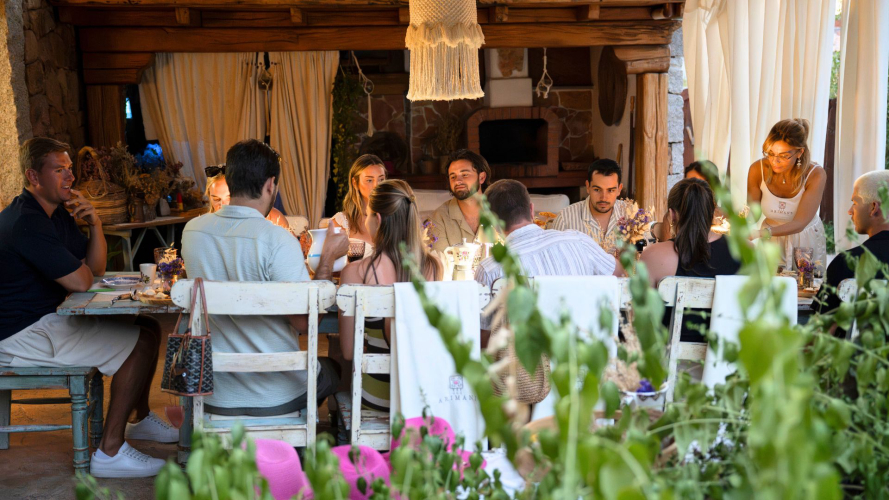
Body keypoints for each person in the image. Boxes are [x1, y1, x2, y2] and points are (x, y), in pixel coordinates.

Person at [0, 138, 173, 478]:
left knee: (148, 326)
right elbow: (81, 282)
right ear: (34, 176)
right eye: (59, 170)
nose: (70, 177)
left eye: (70, 169)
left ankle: (138, 419)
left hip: (45, 320)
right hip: (19, 333)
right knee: (140, 344)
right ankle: (110, 451)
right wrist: (81, 272)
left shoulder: (56, 214)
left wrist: (95, 223)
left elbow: (94, 269)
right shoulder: (27, 221)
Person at [182, 139, 348, 418]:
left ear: (230, 180)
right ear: (270, 185)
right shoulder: (278, 240)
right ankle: (293, 434)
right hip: (278, 393)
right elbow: (304, 322)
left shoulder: (192, 232)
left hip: (214, 390)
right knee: (334, 370)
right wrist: (328, 258)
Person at [475, 180, 626, 343]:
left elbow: (482, 336)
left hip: (527, 358)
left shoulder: (490, 269)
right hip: (587, 352)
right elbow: (619, 275)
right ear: (531, 210)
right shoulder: (578, 241)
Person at [338, 179, 443, 411]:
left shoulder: (355, 273)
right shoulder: (433, 268)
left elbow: (347, 350)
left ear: (377, 219)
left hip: (376, 401)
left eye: (367, 215)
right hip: (420, 405)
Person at [640, 178, 743, 342]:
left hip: (669, 355)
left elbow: (640, 319)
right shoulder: (743, 249)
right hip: (725, 354)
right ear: (713, 212)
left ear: (672, 215)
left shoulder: (653, 256)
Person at [747, 118, 827, 271]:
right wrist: (729, 217)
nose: (775, 161)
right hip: (770, 242)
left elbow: (799, 223)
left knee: (804, 283)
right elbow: (753, 213)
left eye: (784, 156)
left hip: (804, 240)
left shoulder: (815, 174)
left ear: (800, 152)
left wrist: (760, 233)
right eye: (771, 153)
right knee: (769, 283)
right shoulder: (757, 169)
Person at [819, 170, 889, 315]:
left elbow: (823, 324)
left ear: (873, 208)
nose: (850, 211)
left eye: (855, 202)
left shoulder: (848, 262)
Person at [427, 149, 497, 254]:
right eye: (453, 176)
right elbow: (439, 261)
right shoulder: (438, 218)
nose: (458, 181)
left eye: (465, 175)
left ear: (481, 177)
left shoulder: (500, 211)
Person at [552, 159, 628, 253]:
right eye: (597, 190)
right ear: (588, 187)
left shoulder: (631, 215)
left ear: (619, 189)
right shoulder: (565, 219)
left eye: (610, 190)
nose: (603, 197)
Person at [327, 154, 388, 255]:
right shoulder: (341, 222)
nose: (377, 186)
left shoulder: (394, 218)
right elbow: (330, 261)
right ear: (355, 183)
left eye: (381, 179)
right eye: (369, 180)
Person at [651, 160, 721, 242]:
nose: (690, 187)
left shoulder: (723, 218)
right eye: (687, 181)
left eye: (698, 183)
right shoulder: (673, 216)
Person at [205, 165, 290, 230]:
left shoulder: (272, 219)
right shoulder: (206, 227)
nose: (223, 205)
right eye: (216, 199)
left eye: (229, 198)